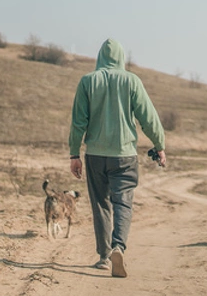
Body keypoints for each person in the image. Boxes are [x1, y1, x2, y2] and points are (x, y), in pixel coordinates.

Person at [68, 38, 166, 278]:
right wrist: (159, 145)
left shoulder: (87, 81)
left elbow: (78, 121)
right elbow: (148, 116)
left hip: (95, 155)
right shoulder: (131, 80)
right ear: (121, 58)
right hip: (124, 155)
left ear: (99, 57)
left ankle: (103, 257)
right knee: (123, 202)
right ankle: (118, 247)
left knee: (101, 203)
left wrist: (74, 153)